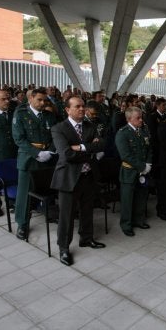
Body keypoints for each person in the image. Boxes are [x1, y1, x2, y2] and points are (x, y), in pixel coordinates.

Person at [51, 96, 106, 266]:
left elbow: (101, 145)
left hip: (88, 176)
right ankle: (64, 248)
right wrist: (89, 149)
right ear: (67, 110)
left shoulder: (91, 125)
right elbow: (66, 154)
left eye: (83, 106)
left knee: (87, 209)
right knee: (67, 214)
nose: (82, 109)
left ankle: (86, 238)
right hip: (68, 177)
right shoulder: (59, 128)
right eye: (77, 107)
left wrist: (81, 147)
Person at [12, 87, 57, 241]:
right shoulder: (21, 115)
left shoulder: (49, 116)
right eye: (39, 99)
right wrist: (36, 153)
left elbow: (55, 136)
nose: (42, 103)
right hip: (29, 159)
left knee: (46, 189)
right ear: (30, 98)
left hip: (47, 158)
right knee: (25, 194)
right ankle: (22, 224)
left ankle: (48, 213)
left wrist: (50, 151)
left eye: (45, 100)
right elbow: (19, 139)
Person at [115, 107, 152, 236]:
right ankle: (126, 224)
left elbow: (149, 148)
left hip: (143, 171)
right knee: (127, 200)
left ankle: (139, 220)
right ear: (129, 119)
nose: (141, 120)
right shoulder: (122, 133)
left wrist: (148, 163)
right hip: (129, 172)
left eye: (141, 117)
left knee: (141, 196)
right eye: (138, 118)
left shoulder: (143, 131)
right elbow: (126, 155)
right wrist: (142, 166)